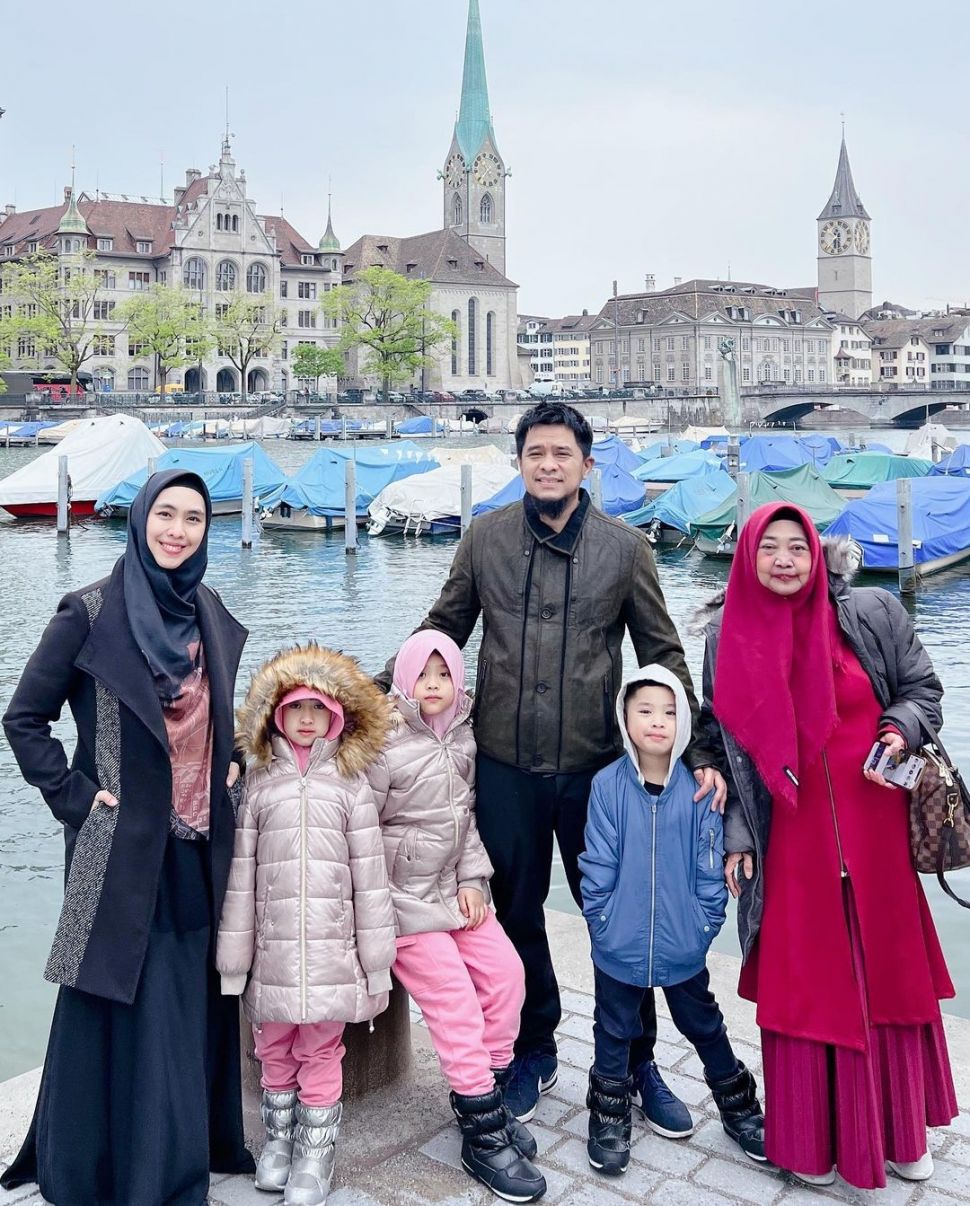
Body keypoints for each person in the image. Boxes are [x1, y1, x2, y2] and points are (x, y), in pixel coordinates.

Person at [380, 401, 725, 1125]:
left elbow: (660, 654)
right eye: (535, 452)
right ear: (519, 461)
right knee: (512, 915)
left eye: (561, 454)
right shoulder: (485, 539)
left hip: (597, 768)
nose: (547, 464)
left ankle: (635, 1062)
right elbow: (441, 631)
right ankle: (532, 1048)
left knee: (621, 918)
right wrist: (367, 693)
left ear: (586, 464)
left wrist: (696, 750)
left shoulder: (625, 548)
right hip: (503, 763)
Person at [0, 470, 254, 1206]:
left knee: (180, 1003)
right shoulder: (87, 612)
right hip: (116, 847)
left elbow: (214, 716)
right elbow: (24, 720)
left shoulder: (206, 605)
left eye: (195, 519)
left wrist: (230, 759)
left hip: (198, 842)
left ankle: (178, 1153)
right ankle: (107, 1169)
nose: (178, 531)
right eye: (165, 515)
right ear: (140, 519)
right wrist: (77, 798)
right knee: (115, 999)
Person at [698, 502, 957, 1190]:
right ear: (747, 556)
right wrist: (734, 832)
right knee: (807, 984)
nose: (784, 560)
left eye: (798, 548)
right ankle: (814, 1143)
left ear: (818, 556)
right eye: (769, 549)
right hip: (790, 840)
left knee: (890, 977)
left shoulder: (870, 613)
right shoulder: (728, 634)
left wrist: (899, 728)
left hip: (877, 831)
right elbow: (715, 738)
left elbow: (923, 690)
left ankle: (902, 1132)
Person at [217, 643, 397, 1206]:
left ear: (337, 718)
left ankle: (315, 1154)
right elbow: (241, 876)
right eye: (296, 708)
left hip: (330, 953)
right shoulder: (260, 784)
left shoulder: (350, 786)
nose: (306, 720)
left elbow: (370, 880)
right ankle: (278, 1142)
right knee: (272, 1049)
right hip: (272, 954)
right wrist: (234, 962)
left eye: (318, 710)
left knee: (321, 1051)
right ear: (276, 714)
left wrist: (377, 966)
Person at [369, 631, 546, 1203]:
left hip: (453, 891)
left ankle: (485, 1098)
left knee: (506, 976)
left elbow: (465, 819)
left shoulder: (465, 737)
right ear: (403, 680)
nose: (434, 687)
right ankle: (481, 1134)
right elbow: (360, 828)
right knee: (453, 998)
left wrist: (473, 879)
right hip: (404, 901)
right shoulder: (382, 744)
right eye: (423, 676)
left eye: (444, 676)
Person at [579, 665, 765, 1176]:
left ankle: (738, 1105)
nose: (657, 721)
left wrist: (706, 924)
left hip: (684, 942)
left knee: (703, 1022)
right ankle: (610, 1112)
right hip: (618, 942)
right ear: (625, 717)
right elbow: (597, 862)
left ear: (683, 722)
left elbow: (711, 869)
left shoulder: (702, 791)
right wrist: (601, 920)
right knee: (614, 1029)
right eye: (644, 710)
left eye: (668, 711)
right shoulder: (607, 786)